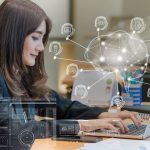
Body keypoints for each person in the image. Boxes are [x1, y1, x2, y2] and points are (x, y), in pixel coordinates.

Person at [0, 0, 141, 149]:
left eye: (42, 39)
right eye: (35, 37)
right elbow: (15, 131)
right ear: (13, 36)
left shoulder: (19, 75)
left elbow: (60, 105)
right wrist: (81, 125)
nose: (41, 47)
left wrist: (103, 115)